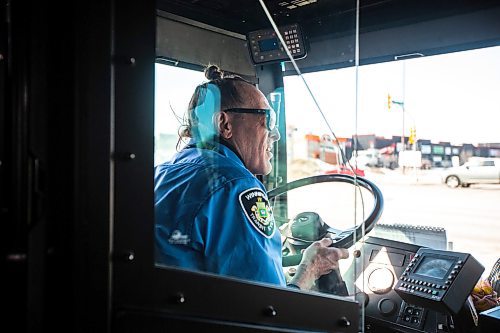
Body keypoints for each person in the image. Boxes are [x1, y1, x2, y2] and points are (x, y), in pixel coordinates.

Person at [154, 64, 349, 290]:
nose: (275, 134)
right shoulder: (235, 187)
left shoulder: (163, 172)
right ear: (224, 124)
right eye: (267, 119)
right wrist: (310, 268)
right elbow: (268, 308)